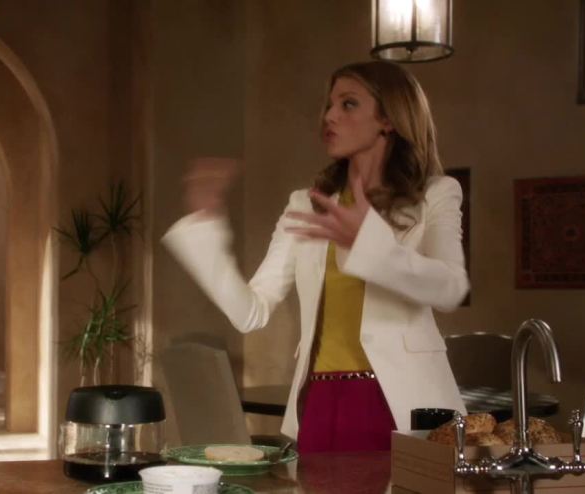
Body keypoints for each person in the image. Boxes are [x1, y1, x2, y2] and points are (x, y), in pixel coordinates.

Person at [161, 60, 469, 454]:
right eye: (329, 105)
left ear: (388, 120)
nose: (329, 116)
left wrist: (369, 244)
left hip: (404, 402)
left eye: (348, 104)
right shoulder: (305, 204)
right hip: (321, 402)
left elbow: (449, 288)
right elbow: (251, 312)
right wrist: (205, 226)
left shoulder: (437, 194)